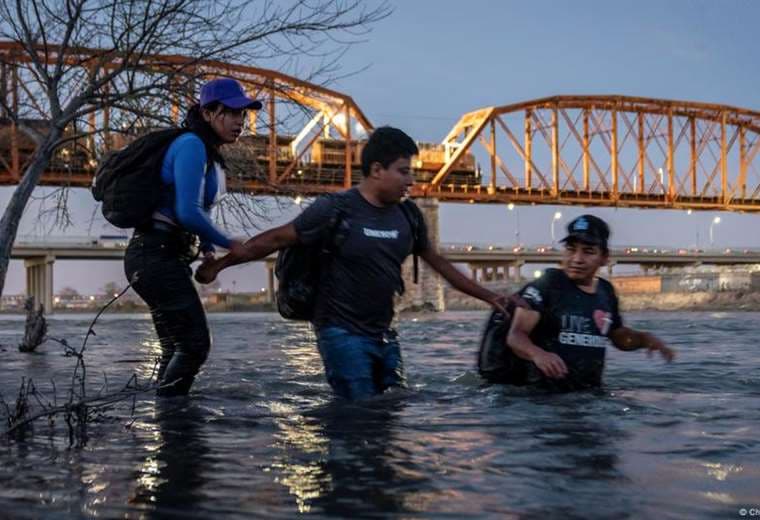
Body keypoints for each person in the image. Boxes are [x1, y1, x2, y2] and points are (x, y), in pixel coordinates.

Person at [195, 126, 508, 400]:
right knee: (361, 414)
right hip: (340, 334)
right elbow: (275, 240)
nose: (411, 180)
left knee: (392, 408)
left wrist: (491, 297)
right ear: (376, 170)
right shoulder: (335, 209)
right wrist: (219, 265)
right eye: (403, 171)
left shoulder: (409, 216)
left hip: (385, 335)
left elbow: (440, 265)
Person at [124, 78, 259, 396]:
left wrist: (210, 249)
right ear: (209, 112)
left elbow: (200, 209)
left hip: (162, 257)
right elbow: (186, 212)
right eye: (234, 112)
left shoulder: (209, 155)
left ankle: (168, 428)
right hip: (153, 254)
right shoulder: (191, 145)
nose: (241, 121)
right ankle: (175, 422)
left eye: (245, 114)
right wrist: (230, 243)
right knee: (195, 346)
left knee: (175, 349)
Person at [500, 214, 675, 391]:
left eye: (588, 251)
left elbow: (618, 337)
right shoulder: (548, 285)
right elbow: (516, 335)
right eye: (571, 249)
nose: (577, 258)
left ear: (605, 257)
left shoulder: (605, 291)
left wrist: (644, 339)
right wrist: (538, 354)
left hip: (590, 396)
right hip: (543, 401)